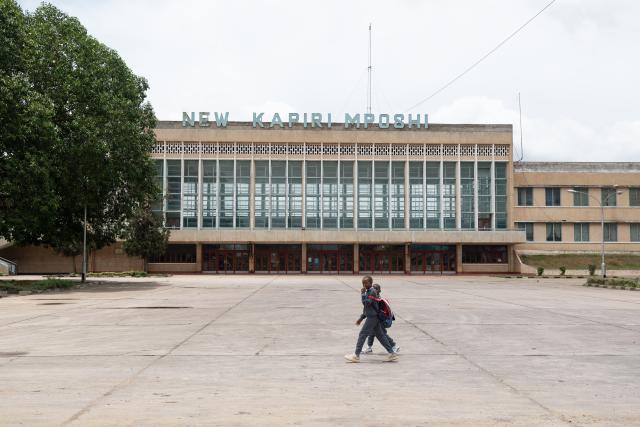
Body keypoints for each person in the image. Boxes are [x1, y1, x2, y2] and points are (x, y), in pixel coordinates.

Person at [344, 276, 399, 363]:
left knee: (362, 334)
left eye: (366, 283)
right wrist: (361, 318)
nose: (364, 285)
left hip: (372, 318)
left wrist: (362, 294)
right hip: (373, 316)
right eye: (363, 283)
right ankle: (392, 353)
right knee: (381, 336)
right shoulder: (369, 291)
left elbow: (367, 304)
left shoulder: (372, 291)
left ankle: (356, 355)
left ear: (371, 283)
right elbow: (367, 308)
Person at [363, 283, 399, 354]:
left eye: (376, 288)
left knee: (382, 334)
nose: (374, 290)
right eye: (373, 288)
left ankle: (394, 345)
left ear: (380, 290)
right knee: (371, 333)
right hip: (374, 320)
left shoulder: (379, 300)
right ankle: (369, 347)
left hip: (380, 320)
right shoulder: (373, 298)